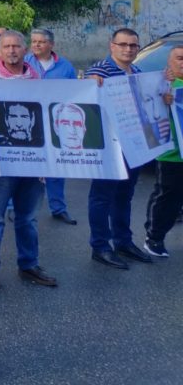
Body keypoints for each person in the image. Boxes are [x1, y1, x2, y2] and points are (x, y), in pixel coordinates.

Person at [0, 30, 56, 291]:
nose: (12, 50)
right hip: (0, 155)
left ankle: (29, 264)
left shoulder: (39, 80)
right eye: (7, 46)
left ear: (26, 50)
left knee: (28, 216)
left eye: (17, 46)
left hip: (34, 157)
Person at [86, 27, 151, 269]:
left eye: (133, 45)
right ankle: (100, 246)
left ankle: (123, 241)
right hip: (107, 147)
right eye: (123, 44)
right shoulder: (99, 70)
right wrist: (90, 84)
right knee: (102, 197)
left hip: (131, 146)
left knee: (125, 196)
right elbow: (83, 93)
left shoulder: (137, 72)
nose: (128, 49)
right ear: (112, 46)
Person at [25, 28, 79, 225]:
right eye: (34, 41)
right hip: (30, 122)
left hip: (56, 122)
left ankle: (58, 208)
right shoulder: (24, 63)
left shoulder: (65, 67)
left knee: (56, 166)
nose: (36, 45)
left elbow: (75, 93)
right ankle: (19, 208)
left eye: (41, 42)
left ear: (51, 45)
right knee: (27, 165)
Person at [144, 44, 183, 258]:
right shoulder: (160, 85)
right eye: (179, 58)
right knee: (167, 198)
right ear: (169, 62)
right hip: (171, 155)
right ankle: (154, 238)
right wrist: (165, 98)